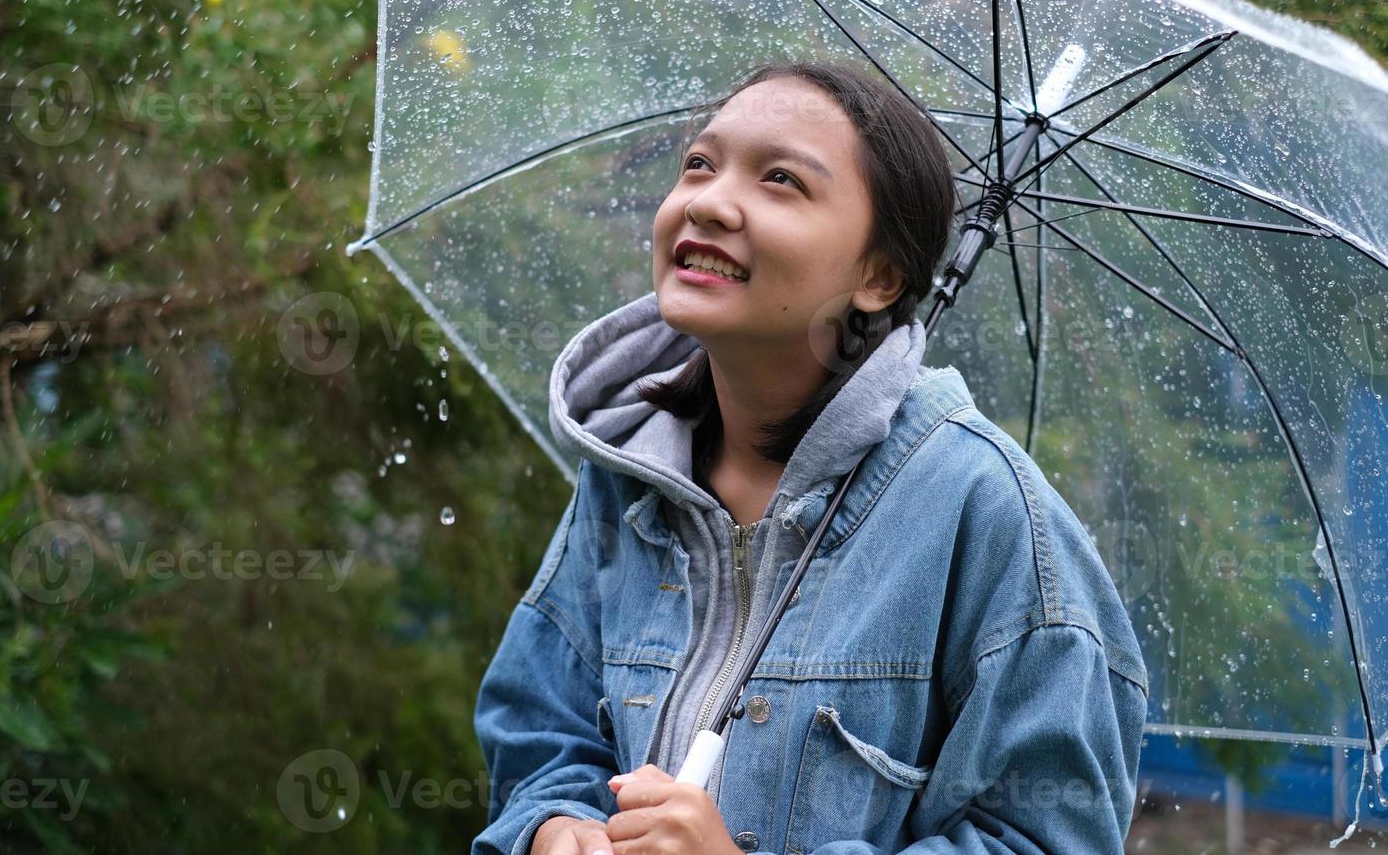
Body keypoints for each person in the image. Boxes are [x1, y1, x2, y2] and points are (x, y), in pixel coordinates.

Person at [471, 60, 1149, 855]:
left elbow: (1044, 838)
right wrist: (556, 828)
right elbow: (539, 730)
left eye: (781, 181)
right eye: (699, 163)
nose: (710, 201)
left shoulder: (987, 511)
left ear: (880, 275)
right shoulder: (627, 474)